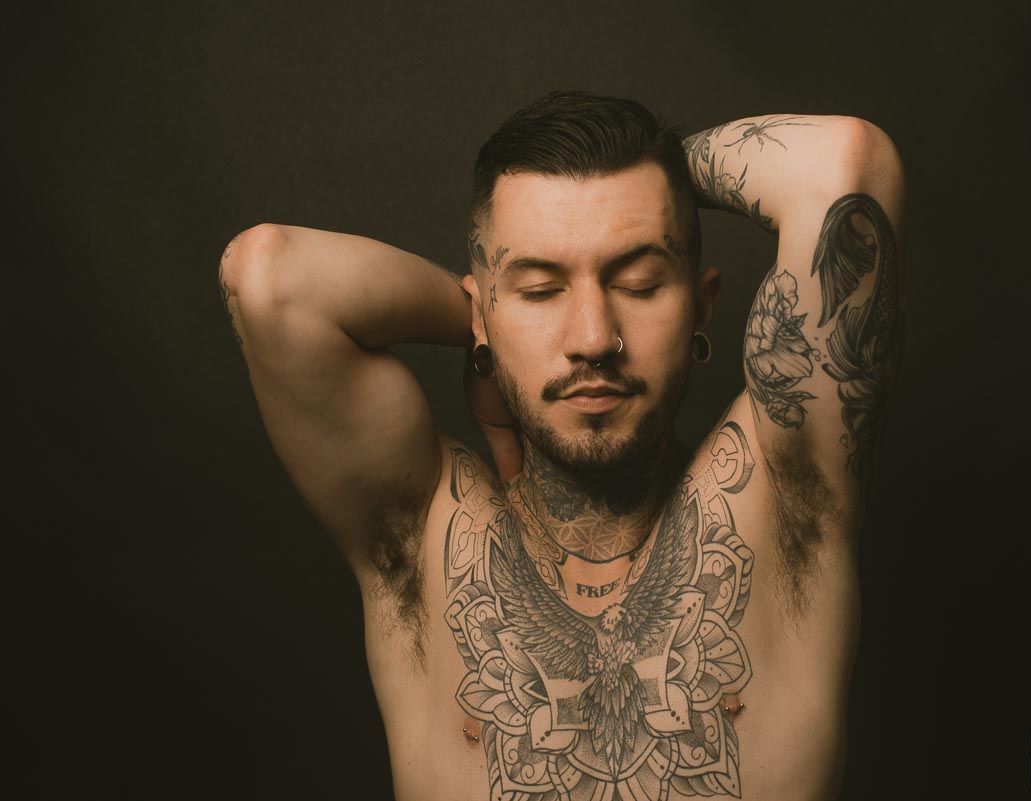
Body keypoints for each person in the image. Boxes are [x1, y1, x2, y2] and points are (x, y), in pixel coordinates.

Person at [218, 90, 904, 801]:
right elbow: (269, 278)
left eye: (638, 283)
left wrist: (664, 174)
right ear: (483, 313)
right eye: (541, 291)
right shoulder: (425, 539)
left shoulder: (785, 499)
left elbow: (847, 166)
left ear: (701, 306)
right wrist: (488, 334)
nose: (592, 339)